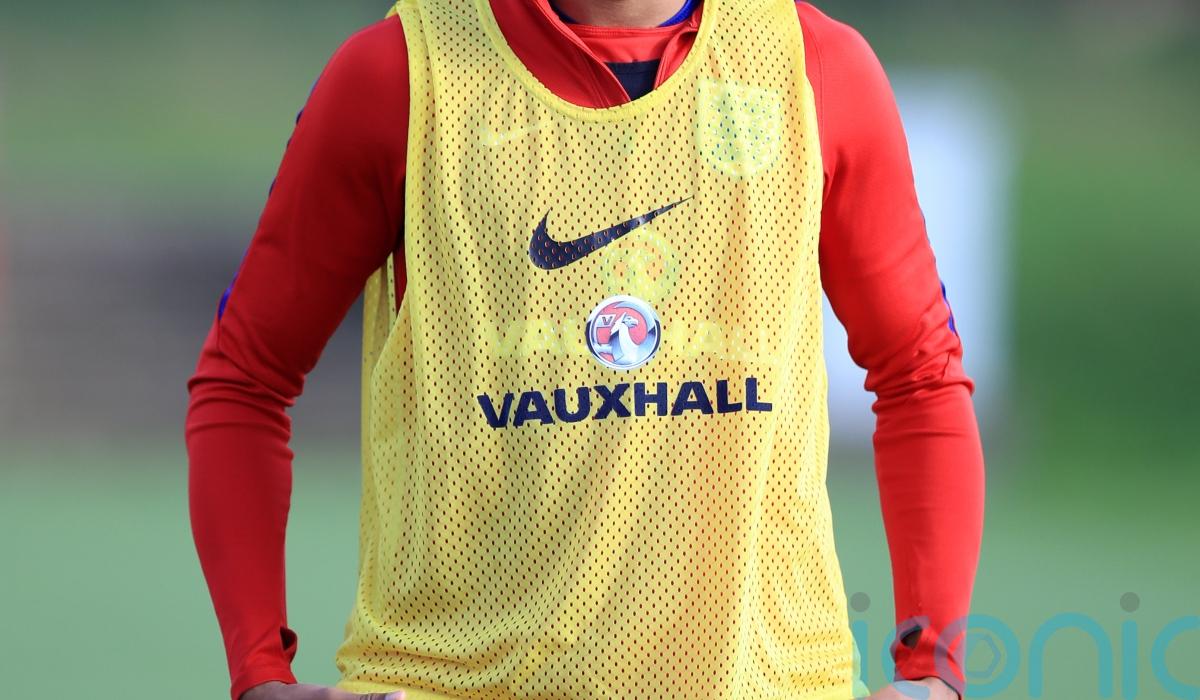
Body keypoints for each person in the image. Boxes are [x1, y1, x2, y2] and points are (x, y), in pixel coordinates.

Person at [185, 1, 986, 699]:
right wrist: (260, 671)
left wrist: (933, 669)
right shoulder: (397, 74)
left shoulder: (817, 67)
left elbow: (919, 376)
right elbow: (245, 379)